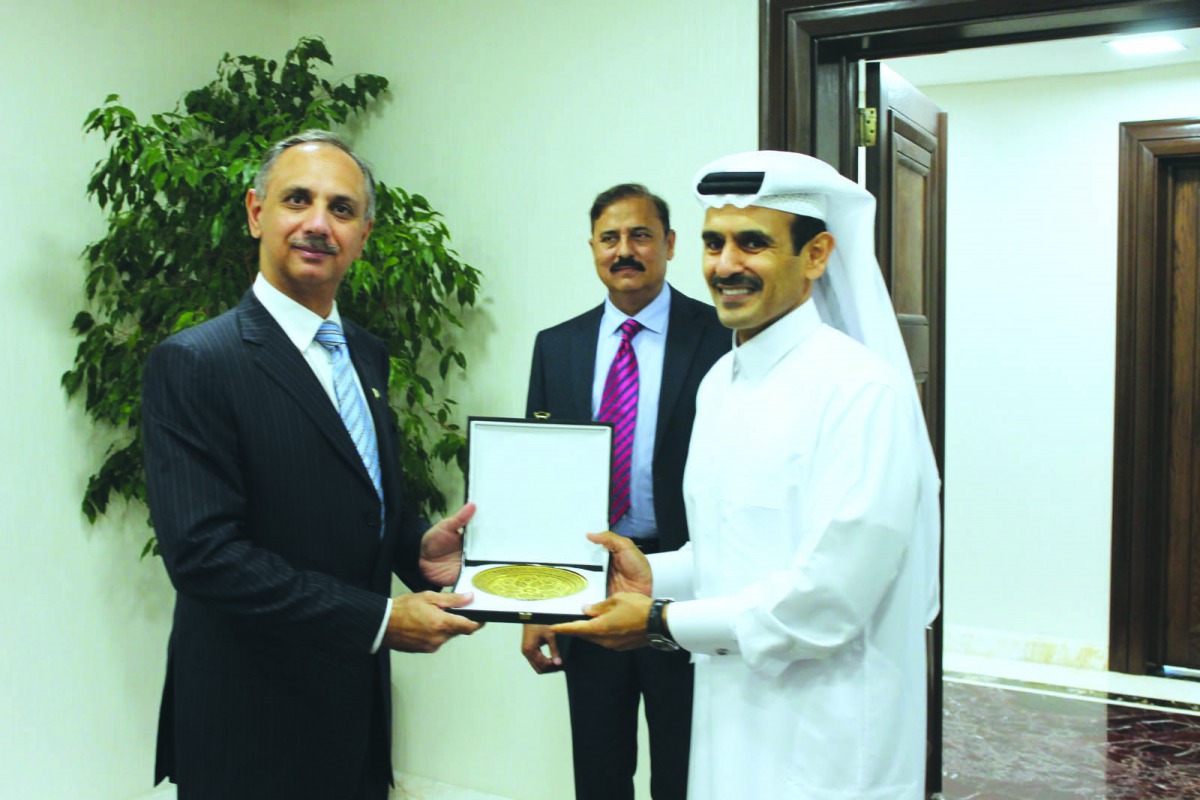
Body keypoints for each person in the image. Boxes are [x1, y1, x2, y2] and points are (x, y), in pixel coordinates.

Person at [553, 151, 941, 799]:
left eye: (752, 244)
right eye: (714, 243)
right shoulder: (722, 383)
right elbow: (735, 547)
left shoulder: (860, 390)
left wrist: (660, 621)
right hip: (732, 713)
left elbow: (831, 597)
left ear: (815, 255)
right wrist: (656, 575)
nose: (725, 266)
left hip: (829, 733)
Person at [142, 130, 482, 800]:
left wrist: (418, 547)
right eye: (298, 199)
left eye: (342, 209)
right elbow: (205, 555)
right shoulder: (196, 362)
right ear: (255, 212)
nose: (318, 223)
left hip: (353, 720)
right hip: (249, 728)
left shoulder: (364, 352)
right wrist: (380, 620)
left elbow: (352, 498)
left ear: (364, 234)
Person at [522, 183, 729, 799]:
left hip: (686, 583)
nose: (625, 250)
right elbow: (542, 484)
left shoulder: (720, 336)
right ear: (592, 249)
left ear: (668, 244)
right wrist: (536, 606)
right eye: (610, 238)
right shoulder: (556, 346)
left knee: (684, 768)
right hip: (590, 585)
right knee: (599, 766)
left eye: (641, 235)